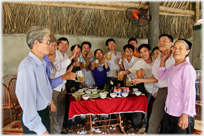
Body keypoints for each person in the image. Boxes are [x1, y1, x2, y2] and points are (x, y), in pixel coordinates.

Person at [132, 34, 189, 134]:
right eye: (159, 41)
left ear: (171, 44)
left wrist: (186, 113)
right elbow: (159, 77)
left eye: (164, 41)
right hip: (162, 92)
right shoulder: (158, 59)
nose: (160, 43)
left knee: (172, 122)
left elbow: (189, 90)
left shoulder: (179, 59)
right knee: (153, 119)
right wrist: (141, 80)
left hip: (176, 93)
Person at [15, 26, 52, 134]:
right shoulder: (27, 67)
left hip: (44, 113)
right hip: (34, 118)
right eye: (47, 42)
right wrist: (40, 129)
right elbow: (28, 103)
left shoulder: (41, 64)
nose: (50, 46)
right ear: (36, 43)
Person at [158, 39, 196, 134]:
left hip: (181, 113)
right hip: (170, 111)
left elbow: (190, 93)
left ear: (187, 51)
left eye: (180, 48)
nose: (176, 50)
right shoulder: (174, 67)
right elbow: (161, 76)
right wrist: (163, 60)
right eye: (174, 47)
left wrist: (185, 114)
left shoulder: (187, 68)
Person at [51, 37, 78, 134]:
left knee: (61, 111)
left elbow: (65, 73)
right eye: (62, 43)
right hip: (54, 88)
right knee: (54, 112)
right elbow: (58, 67)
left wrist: (72, 64)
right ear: (57, 46)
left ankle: (58, 131)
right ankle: (54, 132)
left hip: (62, 87)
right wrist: (72, 56)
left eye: (66, 44)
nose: (64, 46)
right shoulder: (54, 54)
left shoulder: (65, 55)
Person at [64, 44, 82, 133]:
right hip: (68, 86)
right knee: (69, 106)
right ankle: (68, 124)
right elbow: (66, 74)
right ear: (72, 52)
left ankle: (76, 122)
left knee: (76, 104)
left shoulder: (78, 62)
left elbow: (80, 75)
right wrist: (72, 64)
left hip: (76, 86)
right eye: (76, 51)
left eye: (79, 51)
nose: (78, 53)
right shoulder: (67, 61)